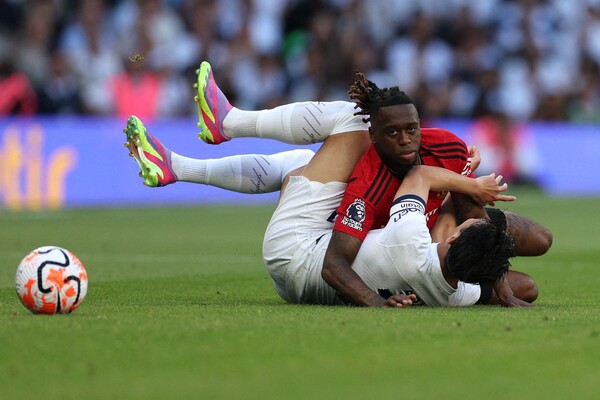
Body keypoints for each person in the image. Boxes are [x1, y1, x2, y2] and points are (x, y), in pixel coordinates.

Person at [192, 61, 551, 306]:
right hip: (319, 256)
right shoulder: (369, 187)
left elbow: (422, 182)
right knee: (347, 125)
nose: (407, 140)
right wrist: (469, 186)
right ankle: (215, 137)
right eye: (392, 133)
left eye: (412, 129)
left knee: (343, 126)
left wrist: (378, 304)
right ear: (375, 140)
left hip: (305, 256)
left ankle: (221, 133)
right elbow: (339, 262)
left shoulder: (417, 212)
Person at [124, 115, 533, 307]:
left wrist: (470, 183)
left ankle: (228, 122)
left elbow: (421, 177)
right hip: (296, 290)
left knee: (352, 121)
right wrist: (502, 289)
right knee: (302, 164)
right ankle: (177, 167)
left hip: (302, 253)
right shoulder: (455, 295)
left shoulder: (409, 237)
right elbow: (526, 287)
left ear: (456, 235)